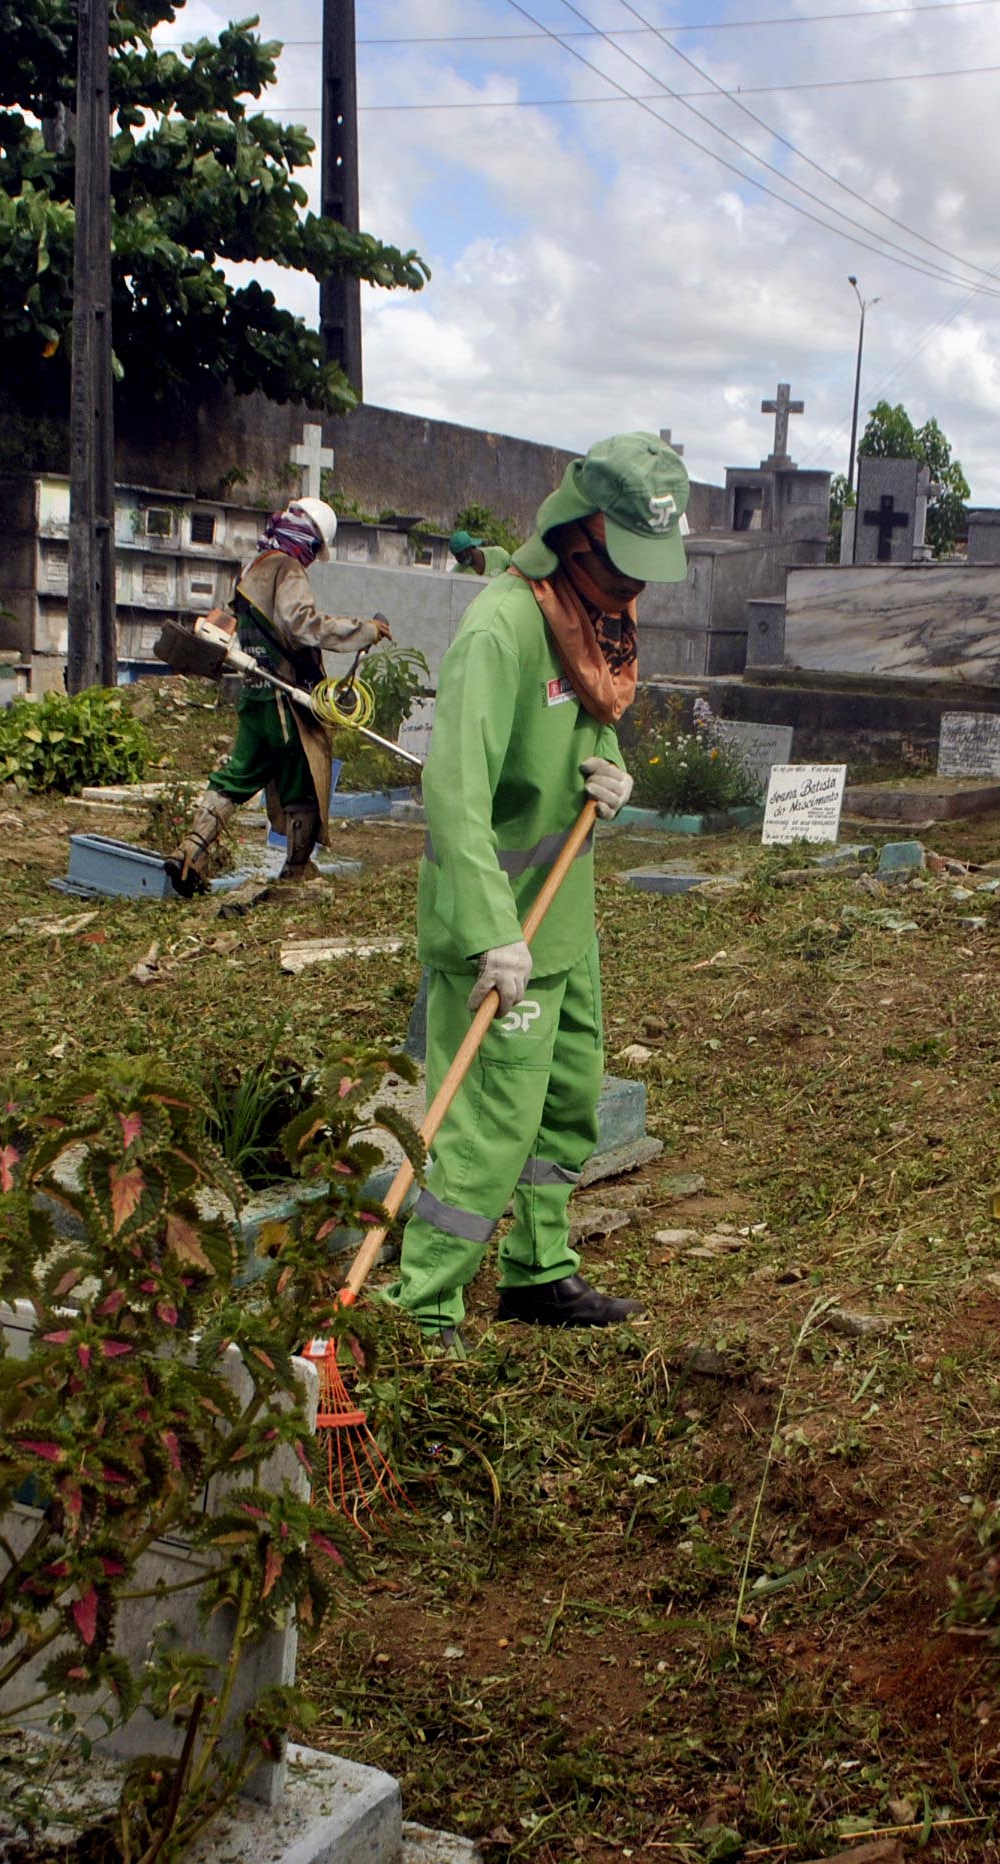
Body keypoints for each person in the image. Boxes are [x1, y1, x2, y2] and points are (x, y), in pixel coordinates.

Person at [392, 432, 687, 1347]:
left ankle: (539, 1273)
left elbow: (568, 740)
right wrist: (490, 932)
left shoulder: (591, 631)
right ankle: (425, 1305)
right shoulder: (503, 628)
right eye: (623, 566)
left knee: (565, 1109)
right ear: (576, 537)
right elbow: (456, 791)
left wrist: (609, 773)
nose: (634, 592)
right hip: (499, 936)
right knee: (486, 1126)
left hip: (563, 925)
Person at [166, 497, 386, 890]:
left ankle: (190, 852)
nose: (315, 559)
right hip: (284, 698)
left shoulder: (254, 566)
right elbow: (302, 625)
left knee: (239, 774)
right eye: (317, 549)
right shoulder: (288, 568)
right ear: (308, 539)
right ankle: (297, 870)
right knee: (303, 777)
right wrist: (362, 631)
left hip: (253, 693)